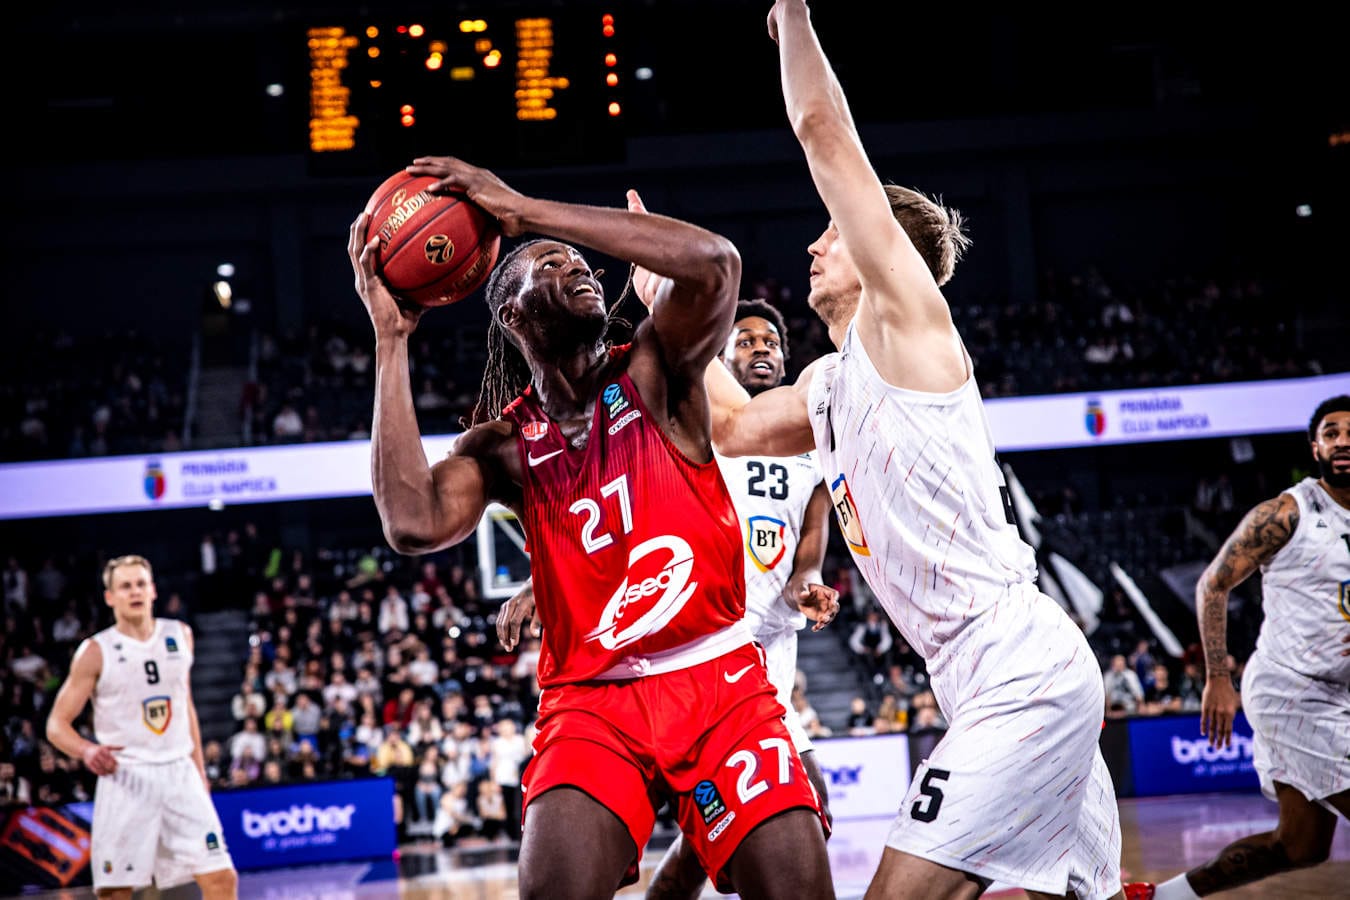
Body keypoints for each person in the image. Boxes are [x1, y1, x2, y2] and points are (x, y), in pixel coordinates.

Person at [700, 3, 1125, 897]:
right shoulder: (826, 384)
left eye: (831, 234)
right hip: (973, 678)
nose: (813, 245)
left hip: (1018, 666)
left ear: (876, 251)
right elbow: (733, 426)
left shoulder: (907, 323)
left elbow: (821, 127)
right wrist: (669, 302)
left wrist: (791, 13)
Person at [349, 155, 834, 898]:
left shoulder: (653, 369)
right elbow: (412, 523)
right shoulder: (502, 447)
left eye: (583, 261)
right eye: (552, 262)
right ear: (511, 314)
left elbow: (715, 265)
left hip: (719, 682)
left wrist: (527, 211)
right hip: (592, 702)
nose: (581, 268)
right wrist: (391, 340)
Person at [1127, 396, 1350, 899]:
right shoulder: (1289, 512)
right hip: (1293, 692)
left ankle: (1162, 898)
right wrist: (1217, 678)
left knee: (1300, 847)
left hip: (1339, 694)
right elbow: (1213, 584)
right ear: (1315, 448)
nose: (1343, 441)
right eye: (1332, 433)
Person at [44, 555, 238, 899]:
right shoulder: (95, 651)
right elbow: (56, 725)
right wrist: (87, 750)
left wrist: (198, 771)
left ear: (153, 591)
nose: (134, 592)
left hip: (179, 772)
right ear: (110, 597)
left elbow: (186, 705)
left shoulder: (180, 635)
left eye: (140, 584)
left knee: (222, 878)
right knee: (116, 892)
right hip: (126, 775)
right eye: (125, 586)